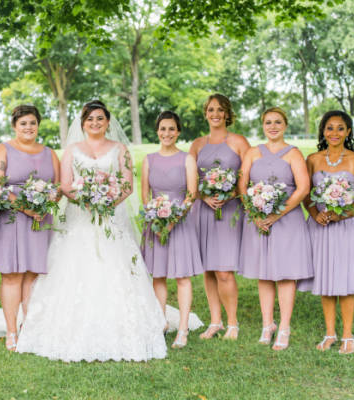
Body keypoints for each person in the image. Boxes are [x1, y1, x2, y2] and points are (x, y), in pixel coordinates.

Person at [15, 100, 167, 362]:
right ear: (83, 123)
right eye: (89, 119)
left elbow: (127, 186)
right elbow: (65, 185)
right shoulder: (72, 150)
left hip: (111, 217)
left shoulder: (121, 149)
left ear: (108, 121)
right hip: (79, 218)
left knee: (116, 265)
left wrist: (106, 203)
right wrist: (87, 200)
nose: (94, 123)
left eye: (99, 118)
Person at [0, 105, 61, 352]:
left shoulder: (50, 153)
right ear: (14, 126)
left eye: (33, 123)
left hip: (40, 220)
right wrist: (25, 208)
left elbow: (58, 187)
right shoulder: (2, 150)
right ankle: (11, 331)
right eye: (23, 123)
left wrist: (47, 203)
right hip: (11, 220)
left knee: (32, 275)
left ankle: (30, 326)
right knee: (12, 275)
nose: (28, 127)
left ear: (38, 125)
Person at [298, 110, 354, 355]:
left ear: (348, 132)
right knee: (326, 278)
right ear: (323, 131)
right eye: (329, 128)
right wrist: (313, 212)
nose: (334, 133)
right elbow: (306, 192)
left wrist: (343, 214)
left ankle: (348, 336)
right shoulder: (312, 159)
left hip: (347, 226)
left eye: (340, 128)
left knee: (346, 279)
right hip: (320, 226)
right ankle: (329, 333)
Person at [238, 107, 313, 350]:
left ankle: (284, 328)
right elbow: (242, 185)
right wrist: (254, 212)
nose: (273, 126)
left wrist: (276, 214)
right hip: (259, 220)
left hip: (287, 220)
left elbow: (303, 188)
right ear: (262, 126)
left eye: (278, 122)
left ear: (285, 125)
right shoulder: (251, 152)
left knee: (286, 273)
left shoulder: (294, 153)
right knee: (264, 273)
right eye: (268, 122)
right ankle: (267, 324)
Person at [189, 94, 250, 340]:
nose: (215, 113)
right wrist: (203, 197)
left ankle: (233, 324)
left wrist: (232, 192)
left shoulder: (238, 141)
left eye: (220, 109)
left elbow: (249, 176)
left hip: (230, 211)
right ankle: (215, 322)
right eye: (211, 109)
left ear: (227, 114)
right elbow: (189, 179)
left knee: (224, 270)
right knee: (208, 269)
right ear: (205, 113)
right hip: (202, 211)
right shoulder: (196, 144)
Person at [141, 111, 203, 349]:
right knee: (158, 275)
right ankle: (161, 322)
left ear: (178, 132)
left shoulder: (186, 159)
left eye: (171, 129)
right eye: (162, 129)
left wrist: (173, 219)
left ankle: (184, 328)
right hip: (154, 225)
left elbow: (191, 194)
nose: (167, 133)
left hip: (180, 223)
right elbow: (146, 194)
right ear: (157, 131)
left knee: (182, 276)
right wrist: (154, 218)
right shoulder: (149, 159)